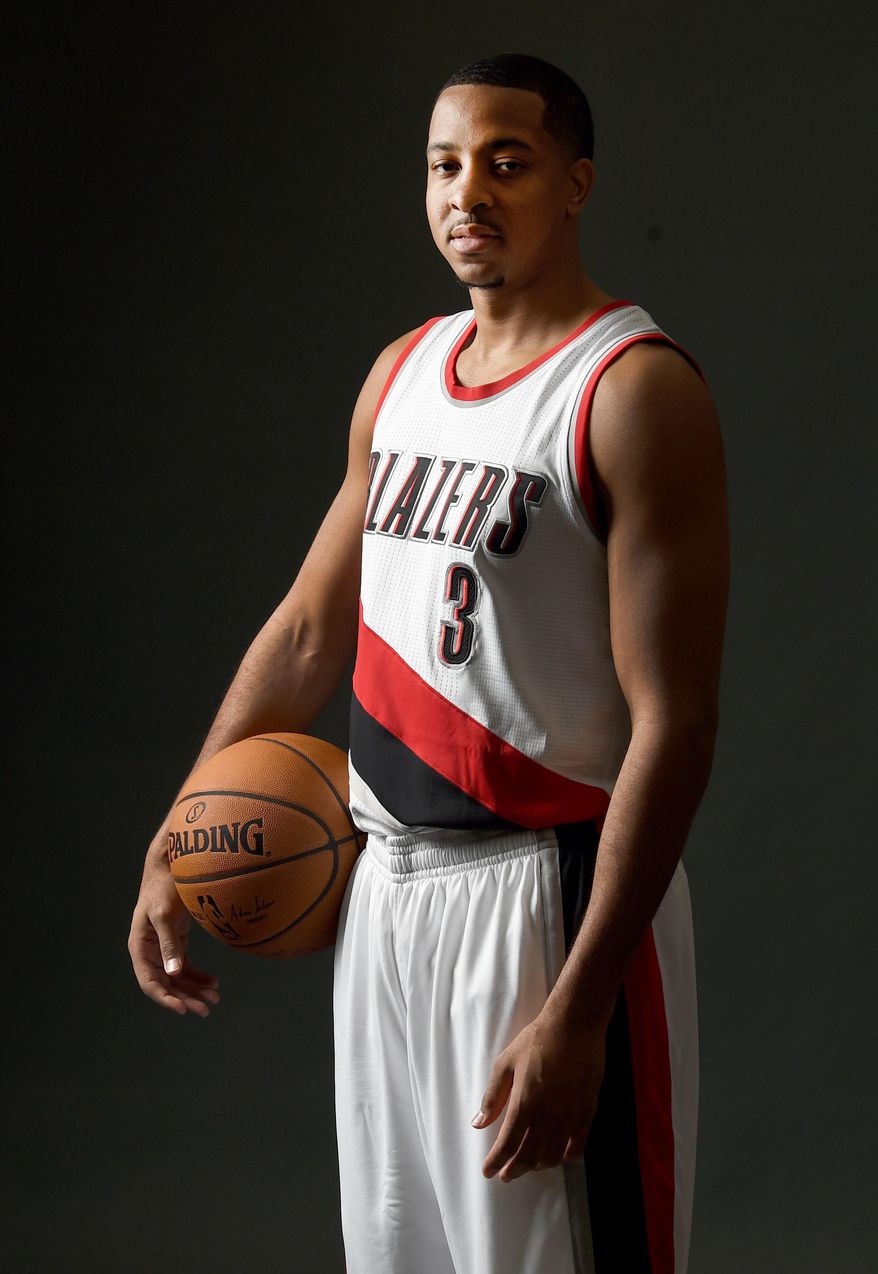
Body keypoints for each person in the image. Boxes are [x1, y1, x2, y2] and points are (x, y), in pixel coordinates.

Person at [129, 52, 728, 1274]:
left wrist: (583, 1001)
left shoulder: (627, 389)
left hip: (544, 897)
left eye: (507, 162)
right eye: (444, 165)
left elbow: (673, 722)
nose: (470, 191)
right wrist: (180, 829)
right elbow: (306, 627)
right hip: (382, 893)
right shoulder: (399, 375)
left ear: (575, 183)